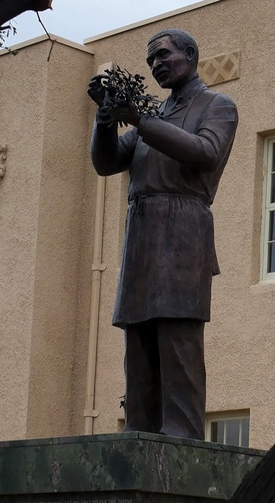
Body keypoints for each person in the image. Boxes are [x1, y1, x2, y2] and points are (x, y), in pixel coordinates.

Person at [90, 29, 237, 439]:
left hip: (183, 233)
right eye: (151, 60)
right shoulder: (152, 116)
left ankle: (180, 437)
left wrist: (140, 119)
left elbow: (206, 153)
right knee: (138, 347)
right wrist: (105, 121)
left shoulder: (217, 106)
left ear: (190, 55)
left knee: (177, 343)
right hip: (141, 237)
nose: (156, 65)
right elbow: (107, 163)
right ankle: (139, 433)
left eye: (163, 55)